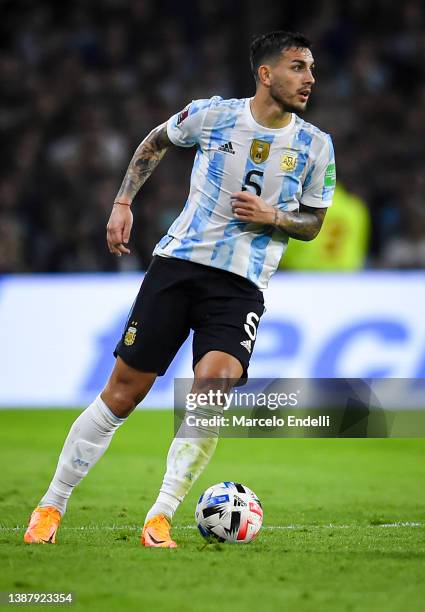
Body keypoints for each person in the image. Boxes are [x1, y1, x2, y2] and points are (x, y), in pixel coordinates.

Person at [24, 31, 335, 548]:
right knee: (123, 394)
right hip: (179, 268)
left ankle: (160, 518)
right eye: (298, 67)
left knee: (210, 391)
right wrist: (124, 202)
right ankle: (50, 507)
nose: (310, 78)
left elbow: (313, 223)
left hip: (240, 287)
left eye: (311, 69)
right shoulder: (212, 116)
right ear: (265, 73)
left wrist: (274, 215)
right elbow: (156, 142)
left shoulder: (315, 144)